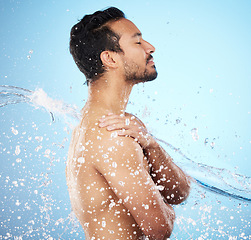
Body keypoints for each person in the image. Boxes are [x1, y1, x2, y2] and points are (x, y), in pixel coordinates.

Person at [66, 7, 190, 240]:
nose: (150, 47)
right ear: (110, 58)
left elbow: (180, 193)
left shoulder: (124, 123)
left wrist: (152, 146)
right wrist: (164, 207)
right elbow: (160, 229)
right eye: (137, 42)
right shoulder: (110, 133)